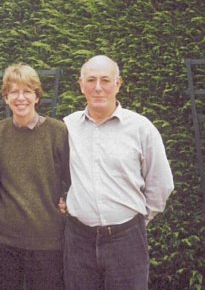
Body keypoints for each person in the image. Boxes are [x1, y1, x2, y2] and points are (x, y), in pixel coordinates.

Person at [62, 55, 174, 290]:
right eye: (91, 80)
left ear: (118, 84)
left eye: (106, 80)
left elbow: (161, 183)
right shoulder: (67, 127)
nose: (98, 87)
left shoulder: (141, 128)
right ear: (81, 85)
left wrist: (137, 221)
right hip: (78, 240)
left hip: (127, 240)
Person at [0, 63, 70, 290]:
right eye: (13, 92)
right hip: (5, 242)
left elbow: (73, 178)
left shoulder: (58, 131)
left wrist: (68, 199)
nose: (20, 97)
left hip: (47, 241)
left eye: (27, 91)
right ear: (6, 98)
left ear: (37, 97)